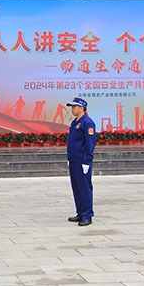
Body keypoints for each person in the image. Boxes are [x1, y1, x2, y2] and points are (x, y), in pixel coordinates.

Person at [65, 97, 96, 227]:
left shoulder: (87, 123)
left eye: (74, 106)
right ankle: (80, 212)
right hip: (73, 159)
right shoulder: (75, 122)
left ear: (82, 108)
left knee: (84, 187)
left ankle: (87, 215)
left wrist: (87, 161)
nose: (72, 109)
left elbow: (90, 144)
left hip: (82, 160)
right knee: (76, 187)